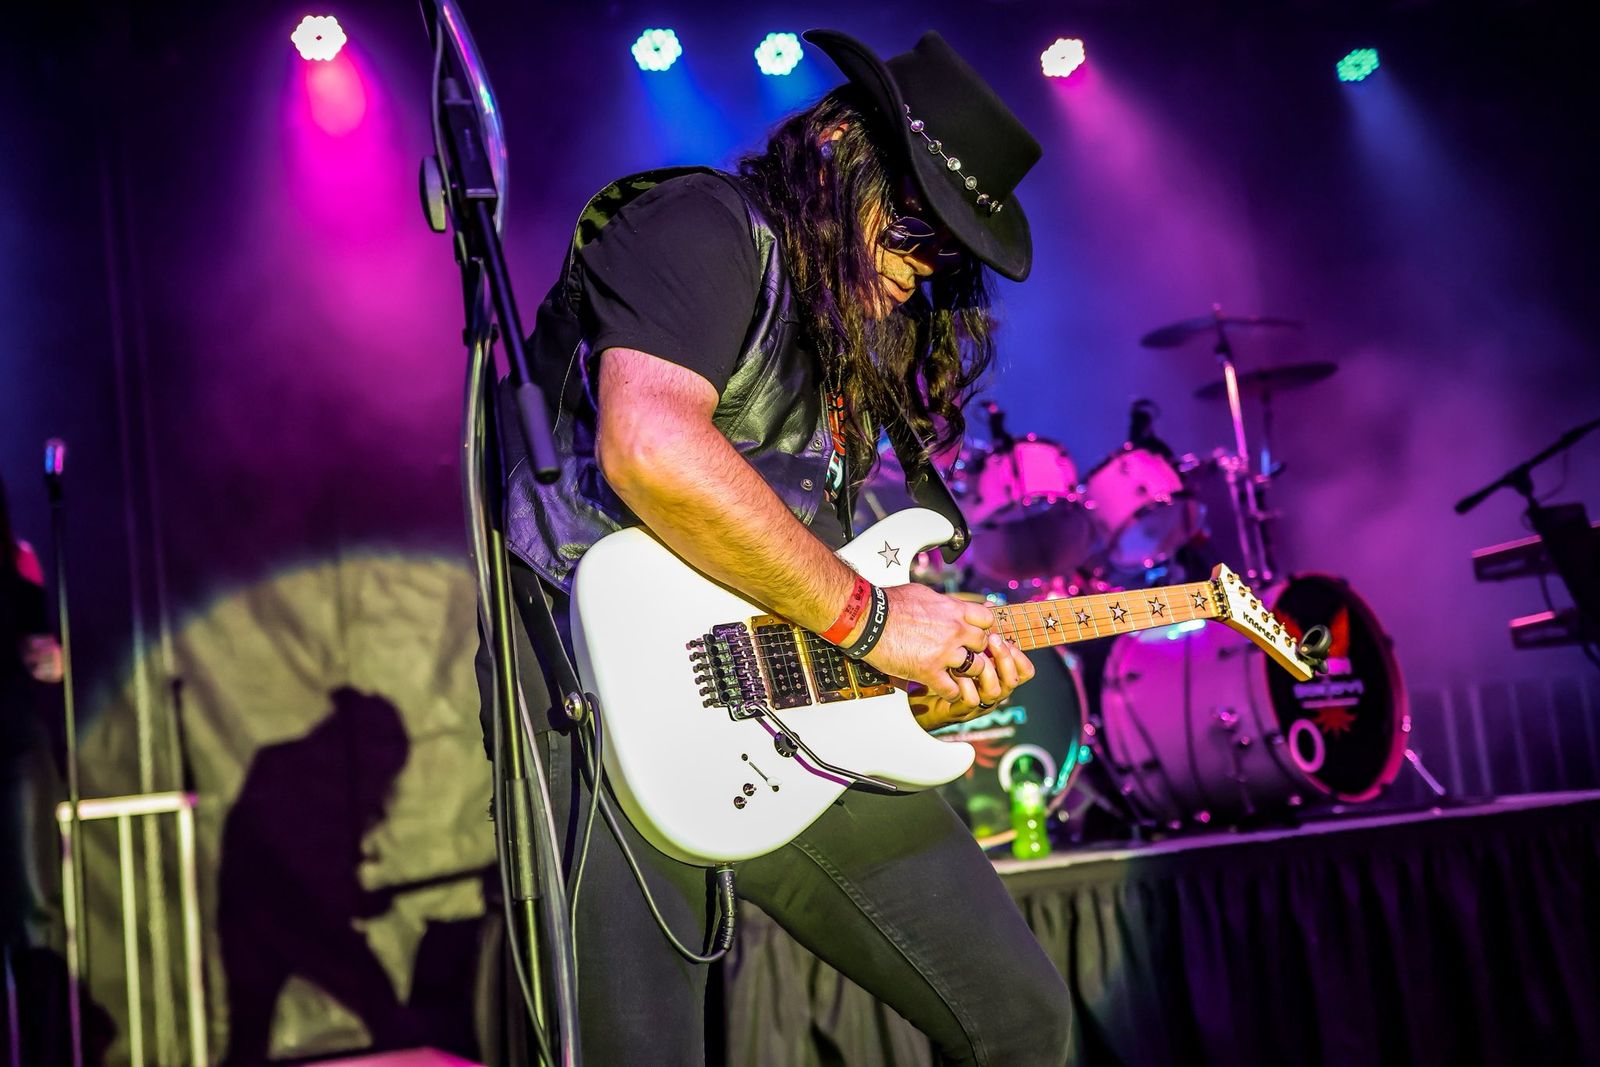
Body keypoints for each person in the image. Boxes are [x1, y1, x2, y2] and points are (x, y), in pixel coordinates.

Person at [483, 29, 1074, 1064]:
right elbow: (650, 446)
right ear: (842, 150)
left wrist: (906, 682)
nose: (920, 271)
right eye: (914, 229)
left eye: (947, 255)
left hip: (788, 722)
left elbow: (797, 571)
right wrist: (877, 622)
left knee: (1021, 1022)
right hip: (602, 706)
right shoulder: (702, 223)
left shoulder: (838, 345)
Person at [1, 473, 64, 1020]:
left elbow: (43, 654)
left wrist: (48, 657)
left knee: (34, 907)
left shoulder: (17, 558)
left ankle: (45, 1047)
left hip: (14, 746)